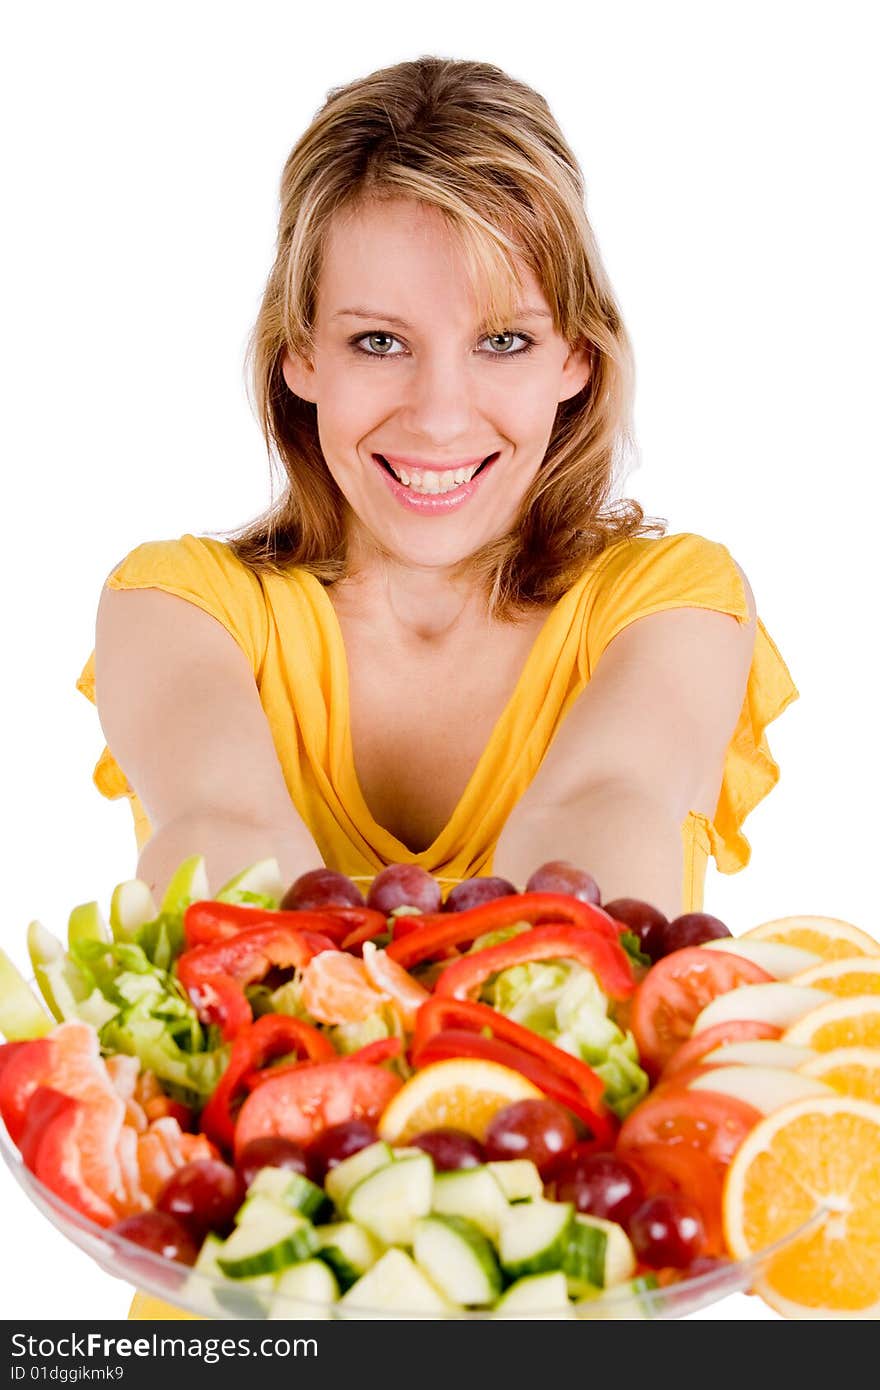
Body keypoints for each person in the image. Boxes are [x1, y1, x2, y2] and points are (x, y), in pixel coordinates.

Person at [76, 55, 796, 1318]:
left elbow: (596, 848)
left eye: (503, 339)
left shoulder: (672, 597)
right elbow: (226, 843)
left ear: (575, 357)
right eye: (377, 342)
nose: (440, 413)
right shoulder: (175, 603)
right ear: (300, 357)